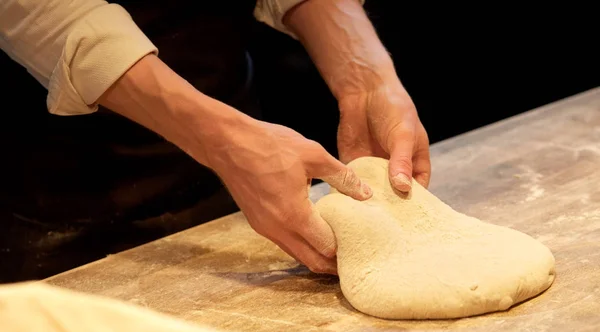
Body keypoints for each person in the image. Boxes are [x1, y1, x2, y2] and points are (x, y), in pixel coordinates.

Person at [0, 0, 431, 282]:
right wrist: (225, 142)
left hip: (230, 187)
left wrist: (366, 77)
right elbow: (44, 14)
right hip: (60, 199)